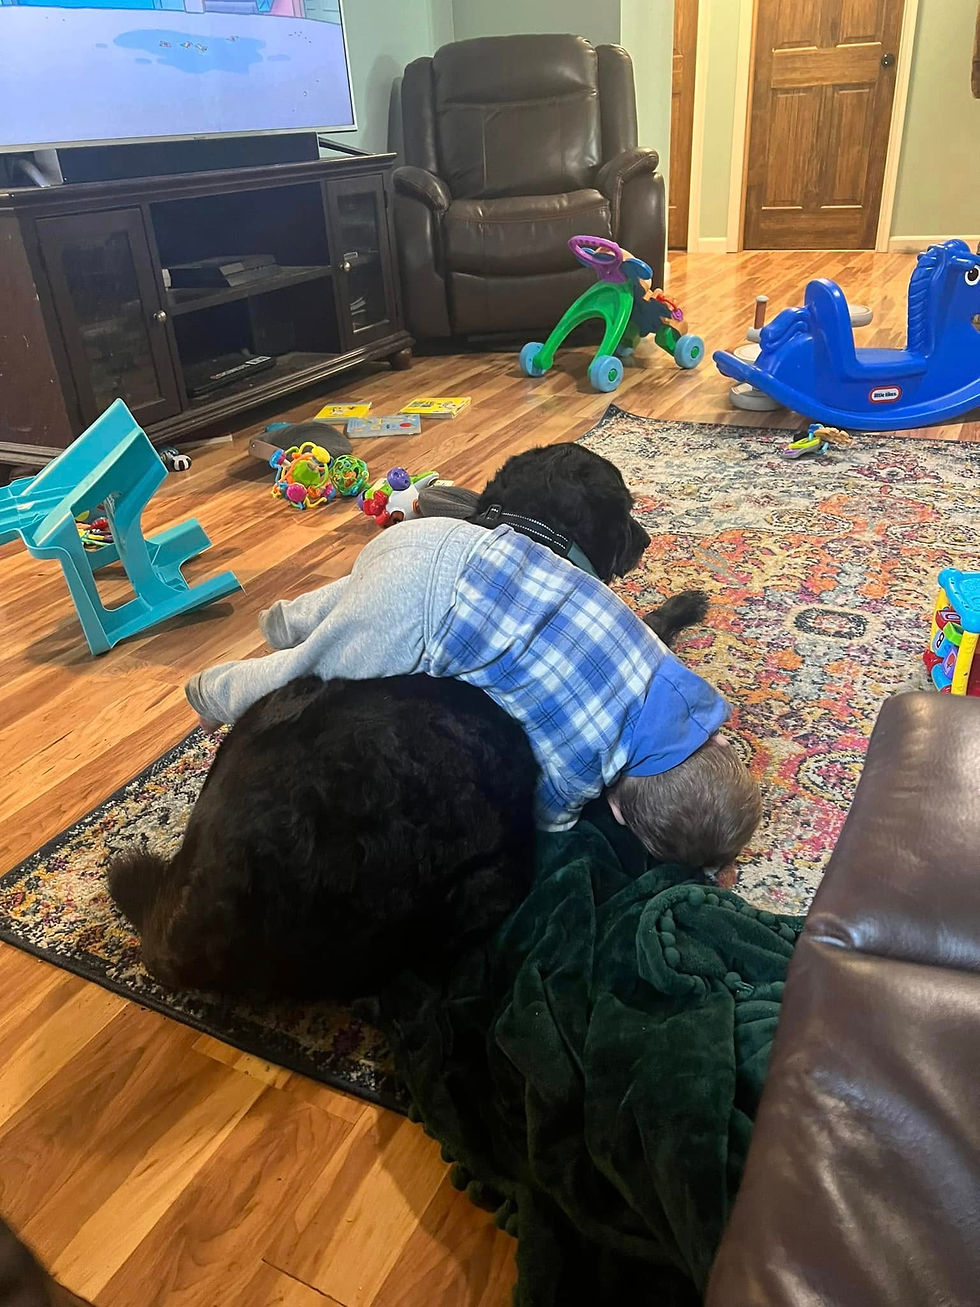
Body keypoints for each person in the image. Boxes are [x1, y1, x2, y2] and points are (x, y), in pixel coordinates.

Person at [185, 518, 761, 868]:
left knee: (349, 605)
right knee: (308, 678)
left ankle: (286, 620)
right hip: (417, 611)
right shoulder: (589, 763)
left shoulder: (665, 670)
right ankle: (215, 692)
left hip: (449, 543)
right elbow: (545, 819)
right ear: (618, 806)